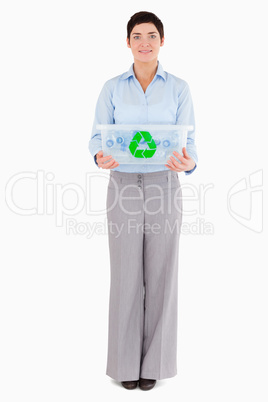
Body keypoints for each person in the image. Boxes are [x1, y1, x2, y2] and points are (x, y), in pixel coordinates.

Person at [88, 11, 197, 391]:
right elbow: (96, 139)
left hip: (164, 183)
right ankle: (124, 365)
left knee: (163, 273)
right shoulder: (112, 88)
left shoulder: (179, 88)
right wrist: (100, 155)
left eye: (152, 35)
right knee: (125, 275)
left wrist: (190, 161)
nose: (145, 42)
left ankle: (155, 364)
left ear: (162, 41)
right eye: (138, 36)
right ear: (128, 42)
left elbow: (191, 143)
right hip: (122, 184)